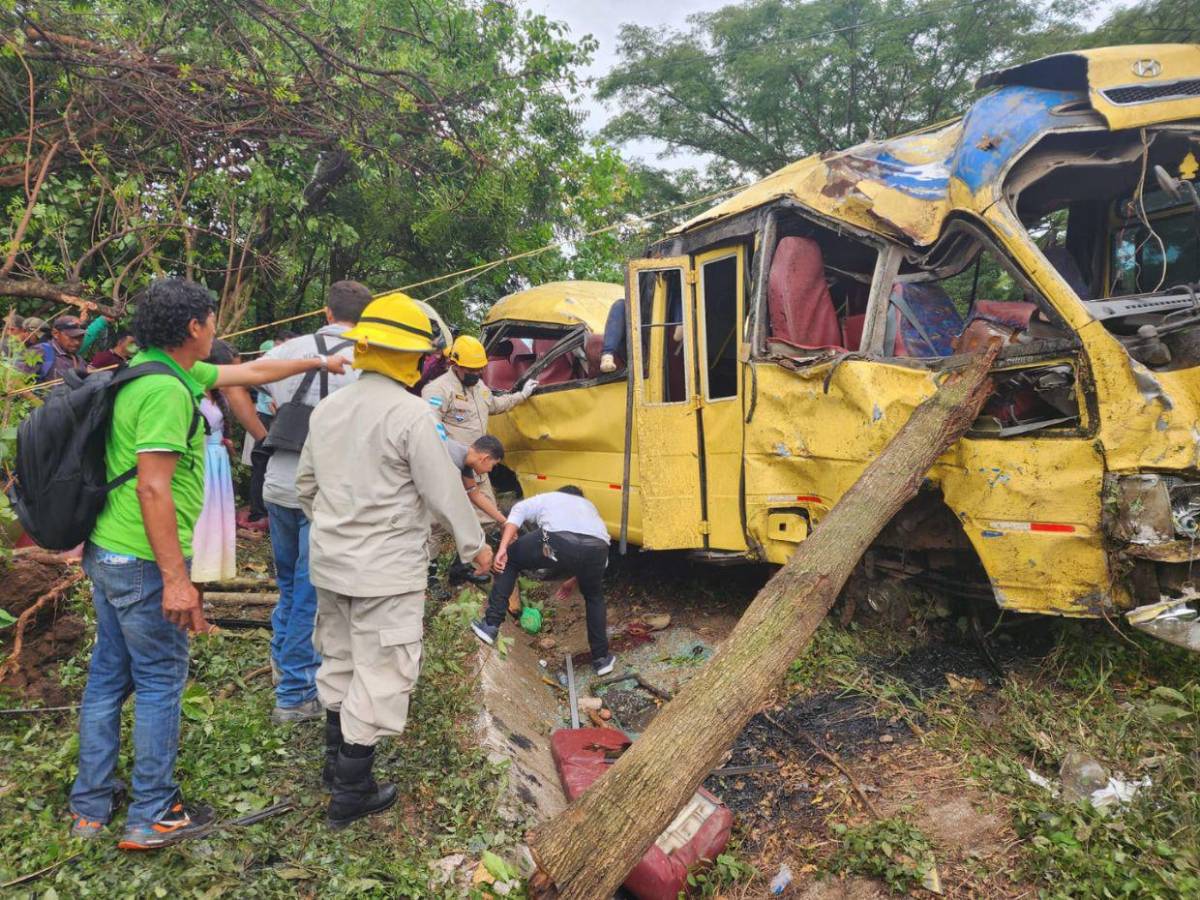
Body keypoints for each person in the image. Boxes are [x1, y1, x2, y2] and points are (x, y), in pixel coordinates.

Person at [68, 277, 350, 850]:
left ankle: (90, 804)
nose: (218, 330)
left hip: (108, 550)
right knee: (158, 682)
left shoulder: (157, 368)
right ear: (194, 327)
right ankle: (152, 812)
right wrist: (177, 581)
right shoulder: (168, 393)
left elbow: (248, 374)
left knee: (107, 679)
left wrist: (329, 368)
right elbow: (153, 488)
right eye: (212, 320)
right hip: (144, 561)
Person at [297, 291, 492, 829]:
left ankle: (334, 769)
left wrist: (338, 532)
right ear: (413, 358)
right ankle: (351, 792)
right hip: (386, 571)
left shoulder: (329, 409)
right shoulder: (410, 415)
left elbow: (306, 487)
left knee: (337, 660)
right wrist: (476, 547)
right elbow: (445, 494)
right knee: (381, 673)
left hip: (331, 564)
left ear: (363, 348)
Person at [259, 280, 371, 725]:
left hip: (278, 481)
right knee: (309, 592)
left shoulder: (291, 350)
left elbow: (237, 380)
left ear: (327, 313)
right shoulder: (367, 357)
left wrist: (258, 432)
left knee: (289, 584)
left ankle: (282, 666)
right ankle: (293, 694)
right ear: (365, 319)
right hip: (326, 491)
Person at [472, 486, 614, 675]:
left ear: (561, 492)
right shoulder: (590, 509)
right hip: (597, 549)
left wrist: (503, 548)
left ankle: (490, 625)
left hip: (553, 543)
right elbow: (598, 561)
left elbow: (518, 510)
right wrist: (573, 580)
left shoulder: (551, 497)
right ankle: (602, 659)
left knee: (511, 560)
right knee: (594, 597)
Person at [421, 335, 537, 529]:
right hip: (450, 470)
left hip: (478, 469)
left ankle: (475, 556)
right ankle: (431, 559)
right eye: (471, 370)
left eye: (479, 369)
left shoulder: (479, 387)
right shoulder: (438, 390)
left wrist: (522, 395)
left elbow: (496, 404)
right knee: (437, 525)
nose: (476, 373)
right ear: (454, 364)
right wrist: (449, 456)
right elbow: (430, 426)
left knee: (487, 519)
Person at [26, 315, 87, 382]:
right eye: (72, 337)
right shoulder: (39, 351)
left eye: (80, 337)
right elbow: (16, 381)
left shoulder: (80, 361)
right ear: (55, 333)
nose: (77, 342)